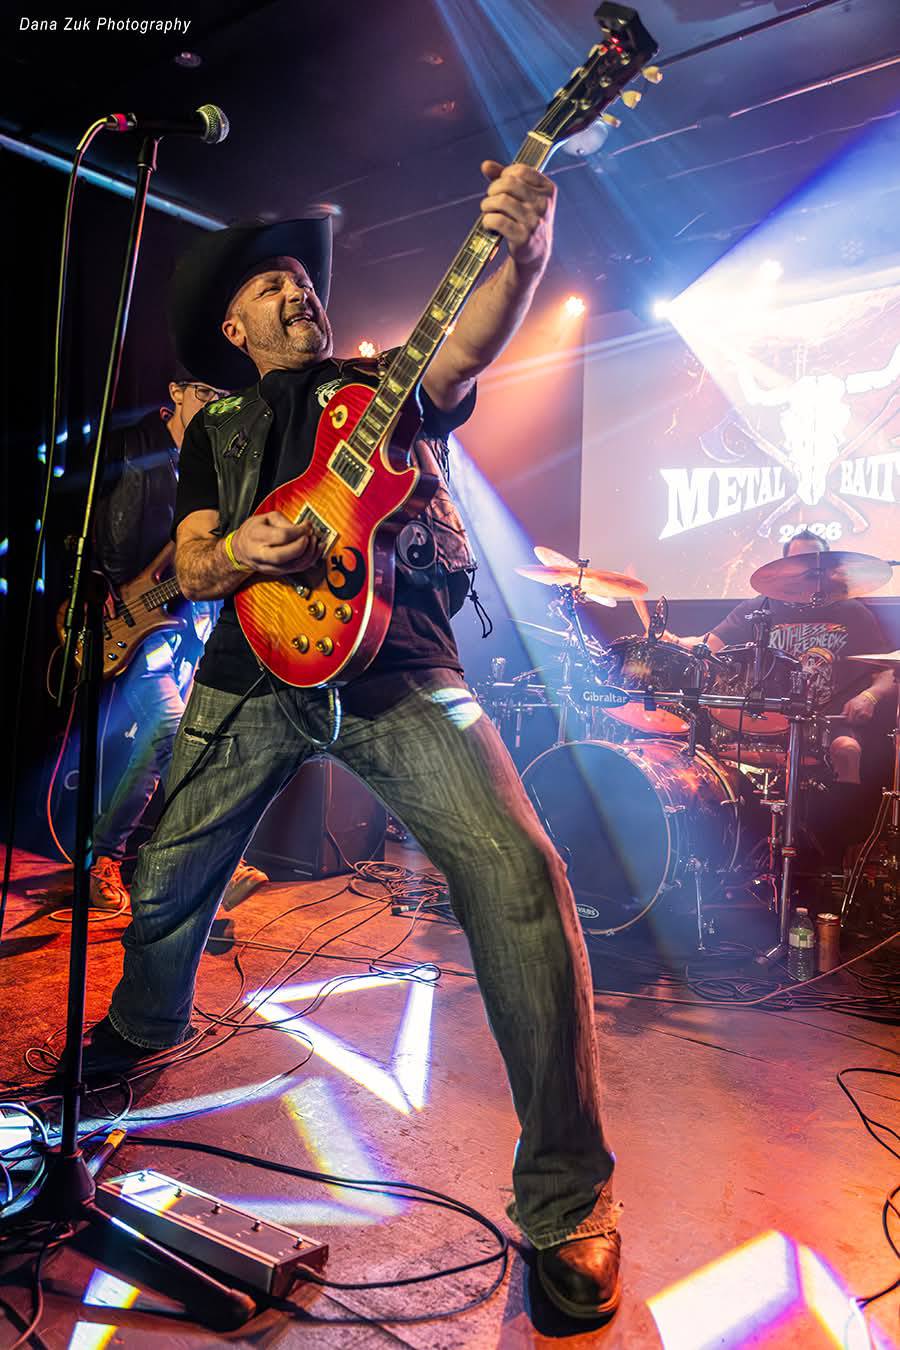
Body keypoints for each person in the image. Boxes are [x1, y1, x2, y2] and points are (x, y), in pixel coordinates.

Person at [85, 162, 622, 1322]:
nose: (300, 293)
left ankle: (568, 1200)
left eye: (304, 279)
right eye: (272, 285)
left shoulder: (378, 386)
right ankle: (142, 1023)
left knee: (519, 876)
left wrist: (522, 259)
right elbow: (192, 559)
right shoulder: (221, 426)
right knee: (167, 872)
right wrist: (241, 553)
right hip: (251, 674)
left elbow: (464, 347)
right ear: (234, 327)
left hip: (396, 667)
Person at [89, 376, 269, 911]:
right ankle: (119, 860)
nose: (213, 405)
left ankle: (181, 864)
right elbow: (98, 523)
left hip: (191, 626)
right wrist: (96, 580)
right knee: (171, 727)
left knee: (188, 739)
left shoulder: (219, 466)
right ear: (176, 392)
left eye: (222, 397)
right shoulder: (135, 447)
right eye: (204, 394)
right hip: (133, 620)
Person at [674, 529, 894, 852]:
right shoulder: (760, 607)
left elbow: (888, 672)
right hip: (769, 722)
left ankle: (840, 852)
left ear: (829, 570)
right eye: (798, 563)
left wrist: (869, 696)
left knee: (848, 750)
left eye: (815, 566)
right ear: (782, 568)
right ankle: (741, 848)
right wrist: (675, 642)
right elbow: (709, 645)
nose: (808, 572)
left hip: (828, 723)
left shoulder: (852, 612)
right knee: (721, 757)